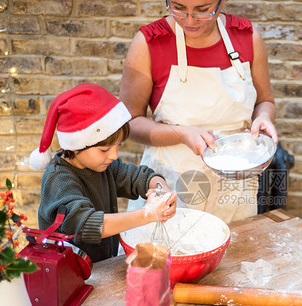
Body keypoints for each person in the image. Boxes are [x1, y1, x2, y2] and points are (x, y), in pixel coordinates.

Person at [119, 0, 278, 223]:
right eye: (178, 7)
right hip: (172, 181)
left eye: (202, 10)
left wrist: (263, 117)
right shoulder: (149, 43)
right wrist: (182, 134)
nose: (189, 20)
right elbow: (130, 122)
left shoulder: (247, 37)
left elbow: (265, 101)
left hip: (234, 184)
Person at [29, 83, 177, 263]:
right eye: (104, 149)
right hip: (65, 274)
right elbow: (86, 224)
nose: (114, 155)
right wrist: (147, 214)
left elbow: (140, 177)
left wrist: (162, 191)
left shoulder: (103, 166)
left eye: (118, 146)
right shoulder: (59, 180)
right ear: (76, 147)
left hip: (100, 267)